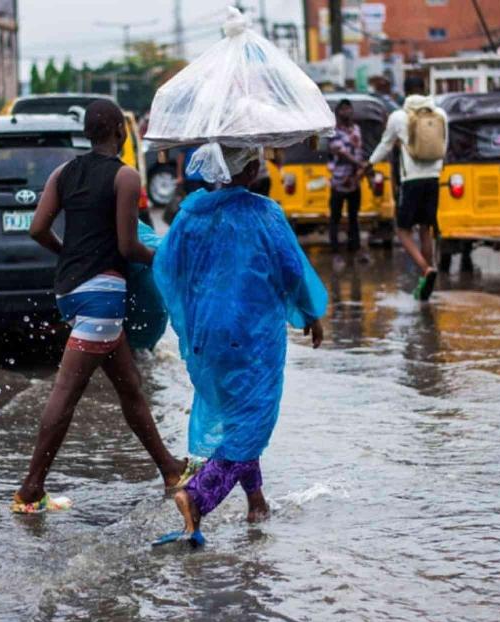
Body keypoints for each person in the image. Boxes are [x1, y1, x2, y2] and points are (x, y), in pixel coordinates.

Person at [12, 99, 195, 514]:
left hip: (70, 291)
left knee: (129, 384)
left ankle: (168, 468)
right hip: (102, 295)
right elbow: (128, 245)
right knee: (66, 392)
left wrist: (67, 254)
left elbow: (38, 228)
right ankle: (30, 489)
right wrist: (166, 260)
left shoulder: (63, 173)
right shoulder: (125, 177)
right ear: (118, 130)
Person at [152, 145, 327, 545]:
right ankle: (196, 498)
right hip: (251, 336)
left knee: (237, 416)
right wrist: (311, 314)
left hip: (207, 335)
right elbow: (292, 271)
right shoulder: (265, 213)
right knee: (253, 420)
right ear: (250, 169)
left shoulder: (190, 216)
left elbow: (167, 268)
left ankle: (256, 501)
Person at [366, 76, 448, 301]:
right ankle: (427, 279)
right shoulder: (440, 115)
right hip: (433, 178)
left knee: (402, 230)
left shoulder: (398, 117)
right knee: (425, 229)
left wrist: (370, 164)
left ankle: (425, 269)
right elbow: (444, 145)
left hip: (411, 180)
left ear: (406, 92)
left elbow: (385, 144)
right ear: (424, 89)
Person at [328, 99, 366, 257]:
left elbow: (359, 150)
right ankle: (334, 247)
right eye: (343, 109)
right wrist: (360, 164)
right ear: (338, 113)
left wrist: (361, 171)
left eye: (349, 108)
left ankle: (354, 246)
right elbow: (341, 153)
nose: (347, 111)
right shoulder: (334, 132)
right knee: (335, 216)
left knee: (353, 215)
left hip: (354, 181)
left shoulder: (356, 129)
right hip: (339, 181)